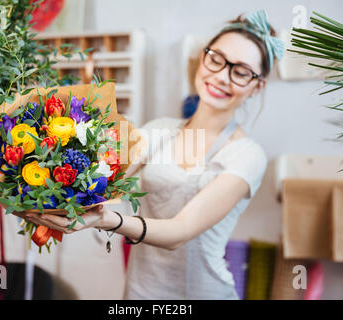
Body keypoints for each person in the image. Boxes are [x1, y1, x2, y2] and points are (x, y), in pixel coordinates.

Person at [18, 10, 285, 299]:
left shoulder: (247, 155)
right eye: (216, 59)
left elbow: (180, 231)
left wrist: (108, 220)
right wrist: (34, 175)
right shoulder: (157, 132)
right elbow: (93, 179)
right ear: (203, 57)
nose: (221, 76)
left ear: (258, 85)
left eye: (241, 71)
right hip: (140, 294)